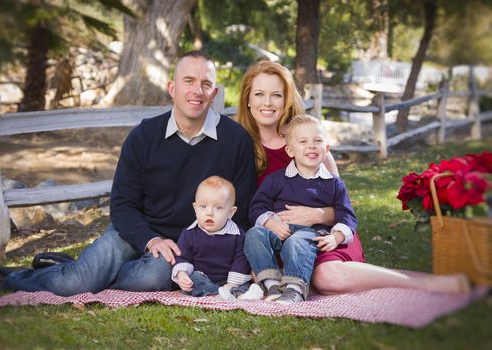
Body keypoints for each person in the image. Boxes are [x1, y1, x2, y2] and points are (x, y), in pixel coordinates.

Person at [0, 50, 257, 296]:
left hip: (184, 244)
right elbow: (122, 204)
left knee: (151, 279)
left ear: (215, 92)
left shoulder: (235, 141)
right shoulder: (144, 136)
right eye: (189, 81)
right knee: (76, 283)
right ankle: (9, 277)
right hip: (133, 231)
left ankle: (78, 269)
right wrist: (149, 239)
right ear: (172, 88)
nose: (197, 91)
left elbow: (239, 211)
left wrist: (207, 250)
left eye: (206, 84)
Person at [236, 60, 470, 296]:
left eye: (276, 95)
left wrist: (317, 215)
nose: (267, 102)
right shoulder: (239, 146)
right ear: (247, 99)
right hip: (277, 236)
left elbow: (339, 202)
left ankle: (423, 285)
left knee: (327, 277)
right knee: (261, 271)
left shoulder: (308, 143)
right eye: (259, 94)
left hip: (323, 234)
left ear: (286, 99)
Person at [242, 115, 357, 304]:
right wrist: (271, 224)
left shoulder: (334, 184)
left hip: (311, 235)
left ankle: (294, 289)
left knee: (297, 241)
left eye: (318, 141)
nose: (311, 146)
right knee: (254, 234)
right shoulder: (276, 179)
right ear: (290, 150)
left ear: (326, 149)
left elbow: (347, 215)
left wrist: (336, 236)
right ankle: (271, 283)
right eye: (303, 141)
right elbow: (257, 206)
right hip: (279, 231)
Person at [172, 176, 251, 300]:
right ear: (195, 208)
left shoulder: (238, 235)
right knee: (194, 280)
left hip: (229, 279)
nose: (209, 213)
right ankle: (219, 294)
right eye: (203, 206)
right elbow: (183, 257)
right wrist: (182, 274)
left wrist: (230, 285)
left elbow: (240, 261)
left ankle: (232, 292)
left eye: (218, 208)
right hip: (203, 278)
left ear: (231, 212)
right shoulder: (189, 234)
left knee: (244, 282)